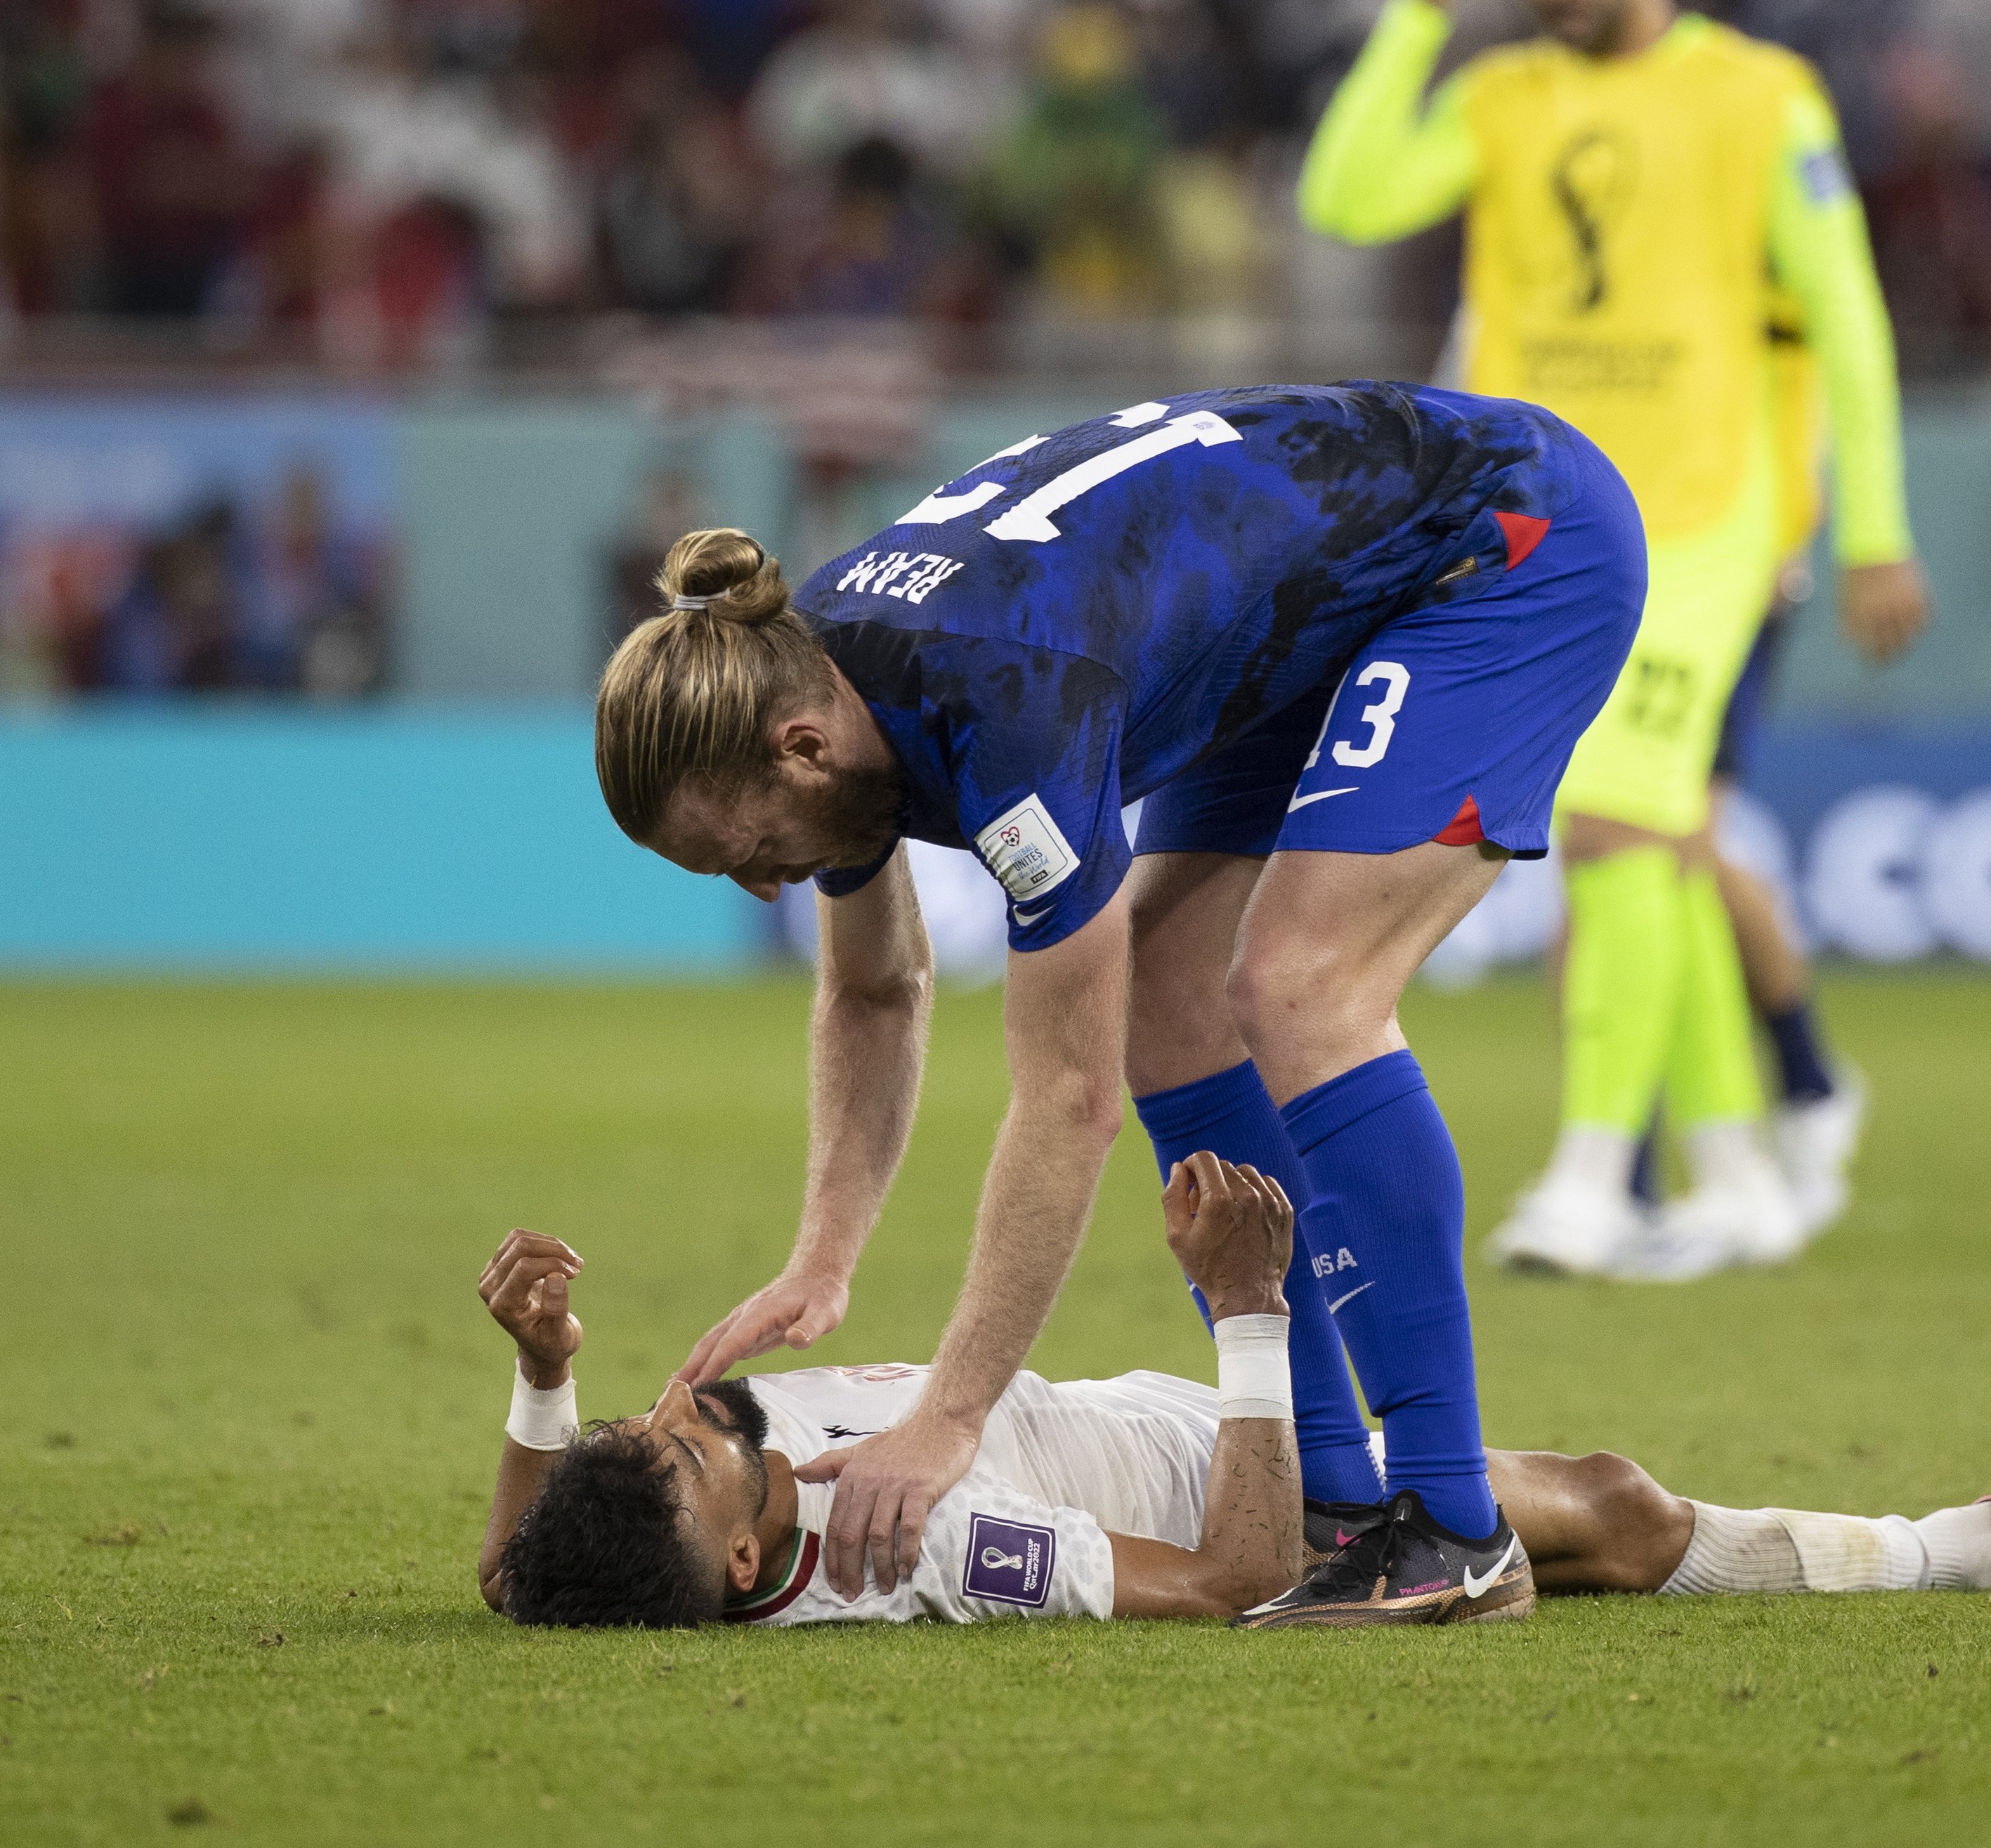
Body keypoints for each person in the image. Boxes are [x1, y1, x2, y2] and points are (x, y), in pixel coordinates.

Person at [592, 378, 1649, 1627]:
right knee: (1167, 1002)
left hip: (1501, 541)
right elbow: (875, 988)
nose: (768, 880)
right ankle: (1334, 1496)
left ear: (802, 749)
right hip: (1313, 608)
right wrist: (822, 1260)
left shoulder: (1002, 705)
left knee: (1300, 989)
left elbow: (1069, 1098)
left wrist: (949, 1420)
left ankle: (1453, 1531)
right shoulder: (801, 677)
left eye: (743, 851)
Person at [1299, 0, 1928, 1284]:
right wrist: (1417, 5)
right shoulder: (1503, 93)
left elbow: (1848, 315)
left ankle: (1592, 1181)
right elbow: (1345, 195)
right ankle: (1730, 1162)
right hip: (1540, 517)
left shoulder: (1760, 95)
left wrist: (1878, 531)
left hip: (1710, 515)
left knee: (1615, 821)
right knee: (1656, 832)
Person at [470, 1154, 1991, 1629]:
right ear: (747, 1555)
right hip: (1235, 1474)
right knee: (1610, 1505)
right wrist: (1251, 1318)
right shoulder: (929, 1552)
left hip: (1158, 1410)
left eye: (654, 1421)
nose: (690, 1413)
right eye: (696, 1459)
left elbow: (512, 1576)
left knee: (1569, 1526)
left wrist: (549, 1390)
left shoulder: (639, 1524)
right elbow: (1229, 1580)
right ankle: (1985, 1545)